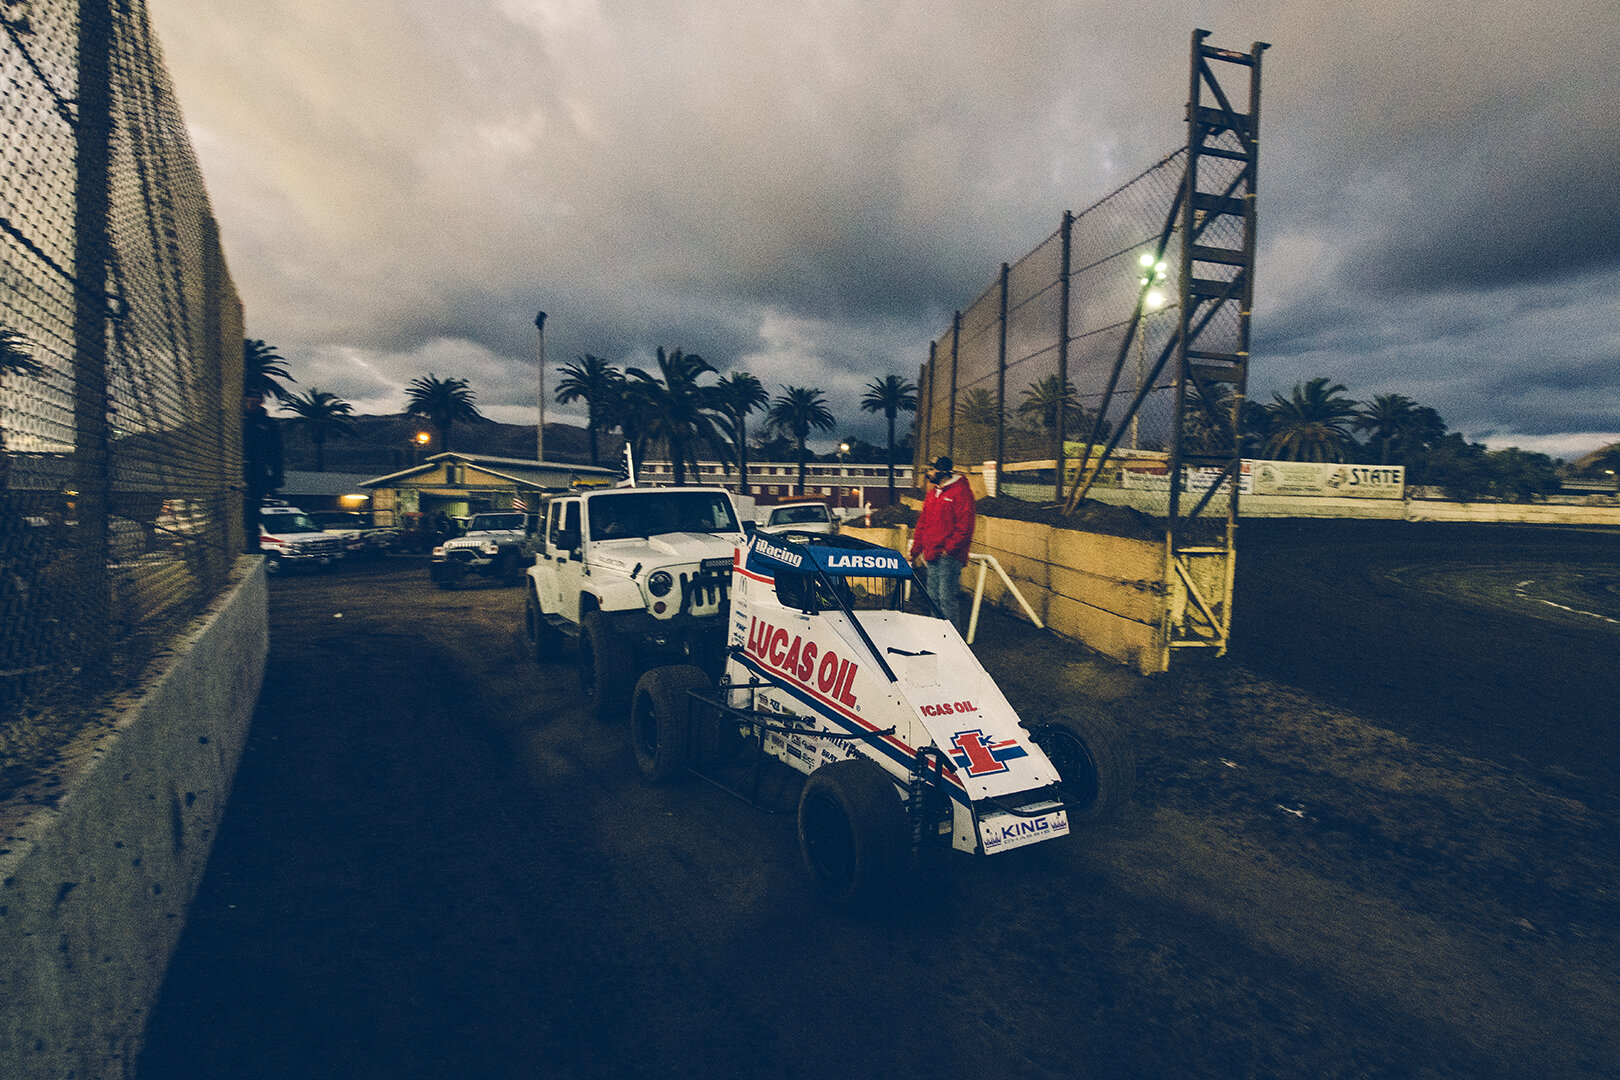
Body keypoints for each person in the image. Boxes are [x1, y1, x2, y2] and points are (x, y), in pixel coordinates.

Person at [908, 456, 976, 632]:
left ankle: (953, 640)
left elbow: (965, 526)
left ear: (942, 471)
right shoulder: (932, 494)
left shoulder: (961, 492)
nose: (928, 474)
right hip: (931, 555)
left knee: (946, 599)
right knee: (933, 597)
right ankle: (938, 635)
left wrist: (948, 550)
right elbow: (923, 523)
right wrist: (915, 551)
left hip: (948, 556)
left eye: (930, 470)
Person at [241, 389, 283, 552]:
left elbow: (276, 453)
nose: (253, 400)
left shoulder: (269, 425)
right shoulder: (238, 421)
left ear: (261, 400)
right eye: (250, 396)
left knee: (253, 511)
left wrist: (276, 478)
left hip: (257, 474)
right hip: (237, 470)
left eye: (257, 397)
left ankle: (252, 546)